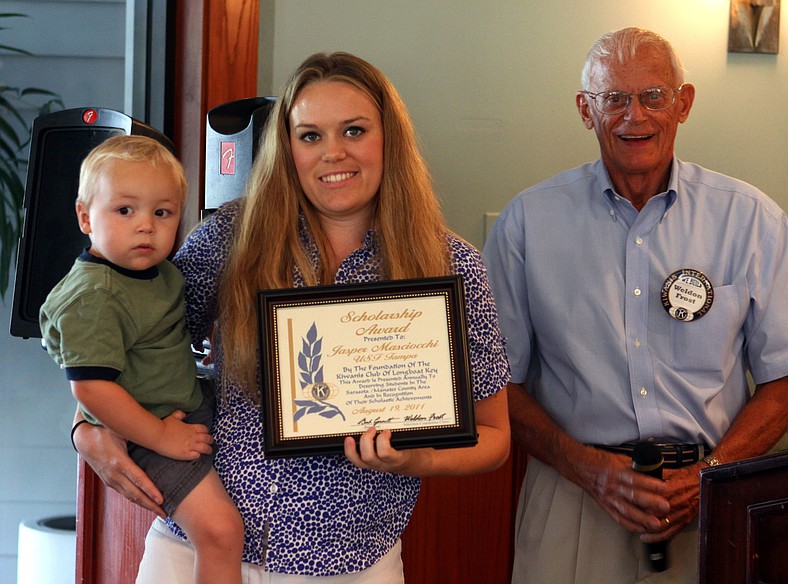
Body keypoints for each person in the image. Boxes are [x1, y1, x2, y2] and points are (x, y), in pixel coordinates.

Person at [73, 52, 511, 583]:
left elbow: (494, 437)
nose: (333, 153)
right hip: (196, 551)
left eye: (354, 130)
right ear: (287, 148)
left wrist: (417, 460)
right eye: (310, 136)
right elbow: (122, 335)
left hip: (347, 565)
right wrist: (84, 426)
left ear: (389, 139)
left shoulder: (451, 265)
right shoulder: (231, 239)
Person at [483, 27, 788, 584]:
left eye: (653, 96)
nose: (635, 116)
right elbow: (498, 385)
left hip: (712, 500)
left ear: (683, 103)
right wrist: (588, 468)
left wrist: (710, 474)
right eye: (614, 98)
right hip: (574, 500)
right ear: (585, 110)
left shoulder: (751, 220)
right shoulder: (526, 224)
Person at [40, 135, 244, 584]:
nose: (146, 226)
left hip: (180, 407)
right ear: (85, 216)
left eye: (162, 213)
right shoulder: (95, 295)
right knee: (221, 532)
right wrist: (160, 436)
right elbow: (90, 387)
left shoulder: (157, 273)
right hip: (146, 431)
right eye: (125, 210)